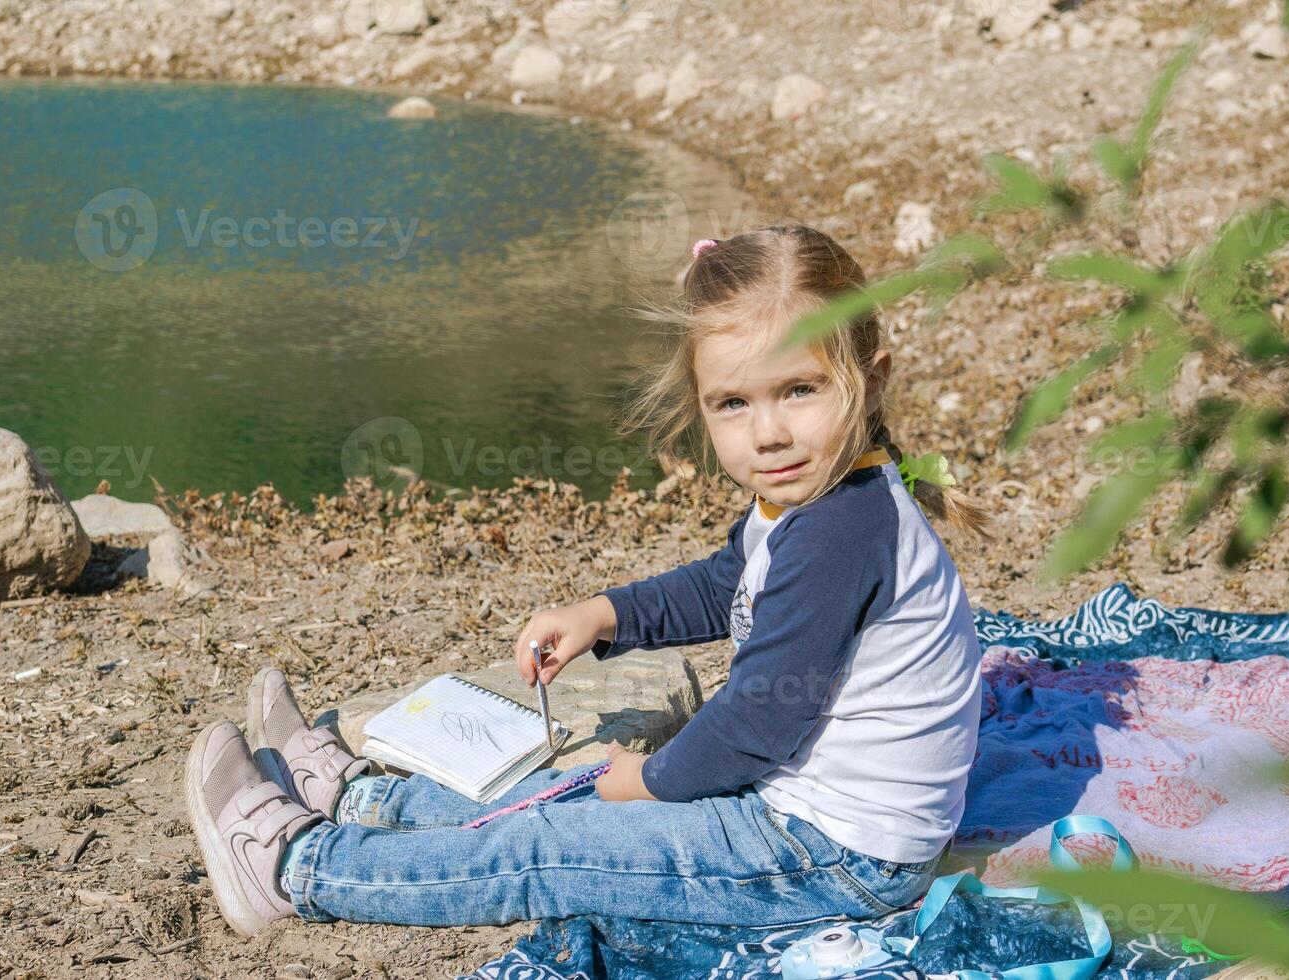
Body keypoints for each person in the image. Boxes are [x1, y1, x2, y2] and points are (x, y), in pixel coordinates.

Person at [184, 223, 992, 937]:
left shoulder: (842, 529)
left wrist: (657, 779)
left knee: (546, 848)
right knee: (573, 790)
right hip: (801, 817)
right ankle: (364, 802)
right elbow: (728, 583)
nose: (770, 432)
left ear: (872, 379)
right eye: (734, 403)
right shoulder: (814, 496)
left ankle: (297, 870)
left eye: (800, 391)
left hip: (830, 854)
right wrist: (603, 614)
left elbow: (754, 725)